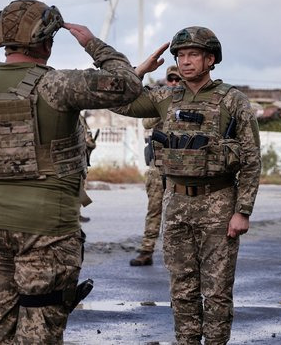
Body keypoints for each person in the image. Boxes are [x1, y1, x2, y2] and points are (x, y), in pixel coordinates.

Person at [0, 0, 142, 344]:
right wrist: (94, 44)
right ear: (47, 42)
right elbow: (127, 84)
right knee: (39, 332)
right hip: (47, 228)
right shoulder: (59, 85)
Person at [114, 26, 261, 344]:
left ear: (210, 59)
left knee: (217, 292)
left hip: (218, 203)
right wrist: (140, 71)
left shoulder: (233, 102)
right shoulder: (166, 97)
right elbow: (118, 103)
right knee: (182, 290)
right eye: (180, 55)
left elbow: (251, 160)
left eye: (193, 54)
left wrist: (243, 211)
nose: (185, 61)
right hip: (176, 202)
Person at [130, 65, 181, 266]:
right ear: (167, 81)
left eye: (178, 80)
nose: (175, 83)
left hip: (181, 168)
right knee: (154, 210)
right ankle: (146, 250)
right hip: (158, 166)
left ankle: (176, 254)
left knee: (179, 213)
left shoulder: (189, 102)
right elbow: (146, 123)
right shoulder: (161, 100)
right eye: (171, 79)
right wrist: (164, 107)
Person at [78, 114, 97, 223]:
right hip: (76, 158)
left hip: (81, 159)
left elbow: (88, 137)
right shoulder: (76, 116)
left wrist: (91, 143)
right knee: (75, 187)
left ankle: (77, 214)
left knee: (79, 187)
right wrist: (90, 143)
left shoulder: (80, 117)